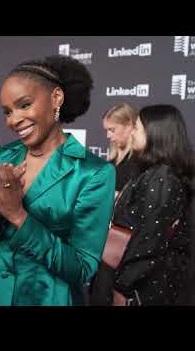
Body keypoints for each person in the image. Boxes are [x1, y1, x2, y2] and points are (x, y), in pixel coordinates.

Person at [0, 55, 116, 306]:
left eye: (24, 105)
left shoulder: (92, 172)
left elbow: (82, 268)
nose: (14, 120)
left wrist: (17, 215)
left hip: (47, 297)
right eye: (7, 111)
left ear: (56, 98)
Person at [111, 105, 194, 306]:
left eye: (137, 128)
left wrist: (123, 287)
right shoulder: (155, 173)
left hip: (145, 289)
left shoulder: (162, 178)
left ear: (156, 133)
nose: (131, 132)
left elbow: (148, 241)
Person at [89, 103, 140, 305]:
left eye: (113, 130)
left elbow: (137, 202)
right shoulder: (109, 164)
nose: (108, 136)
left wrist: (114, 196)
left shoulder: (138, 163)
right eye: (106, 131)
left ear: (130, 126)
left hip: (123, 244)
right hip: (101, 239)